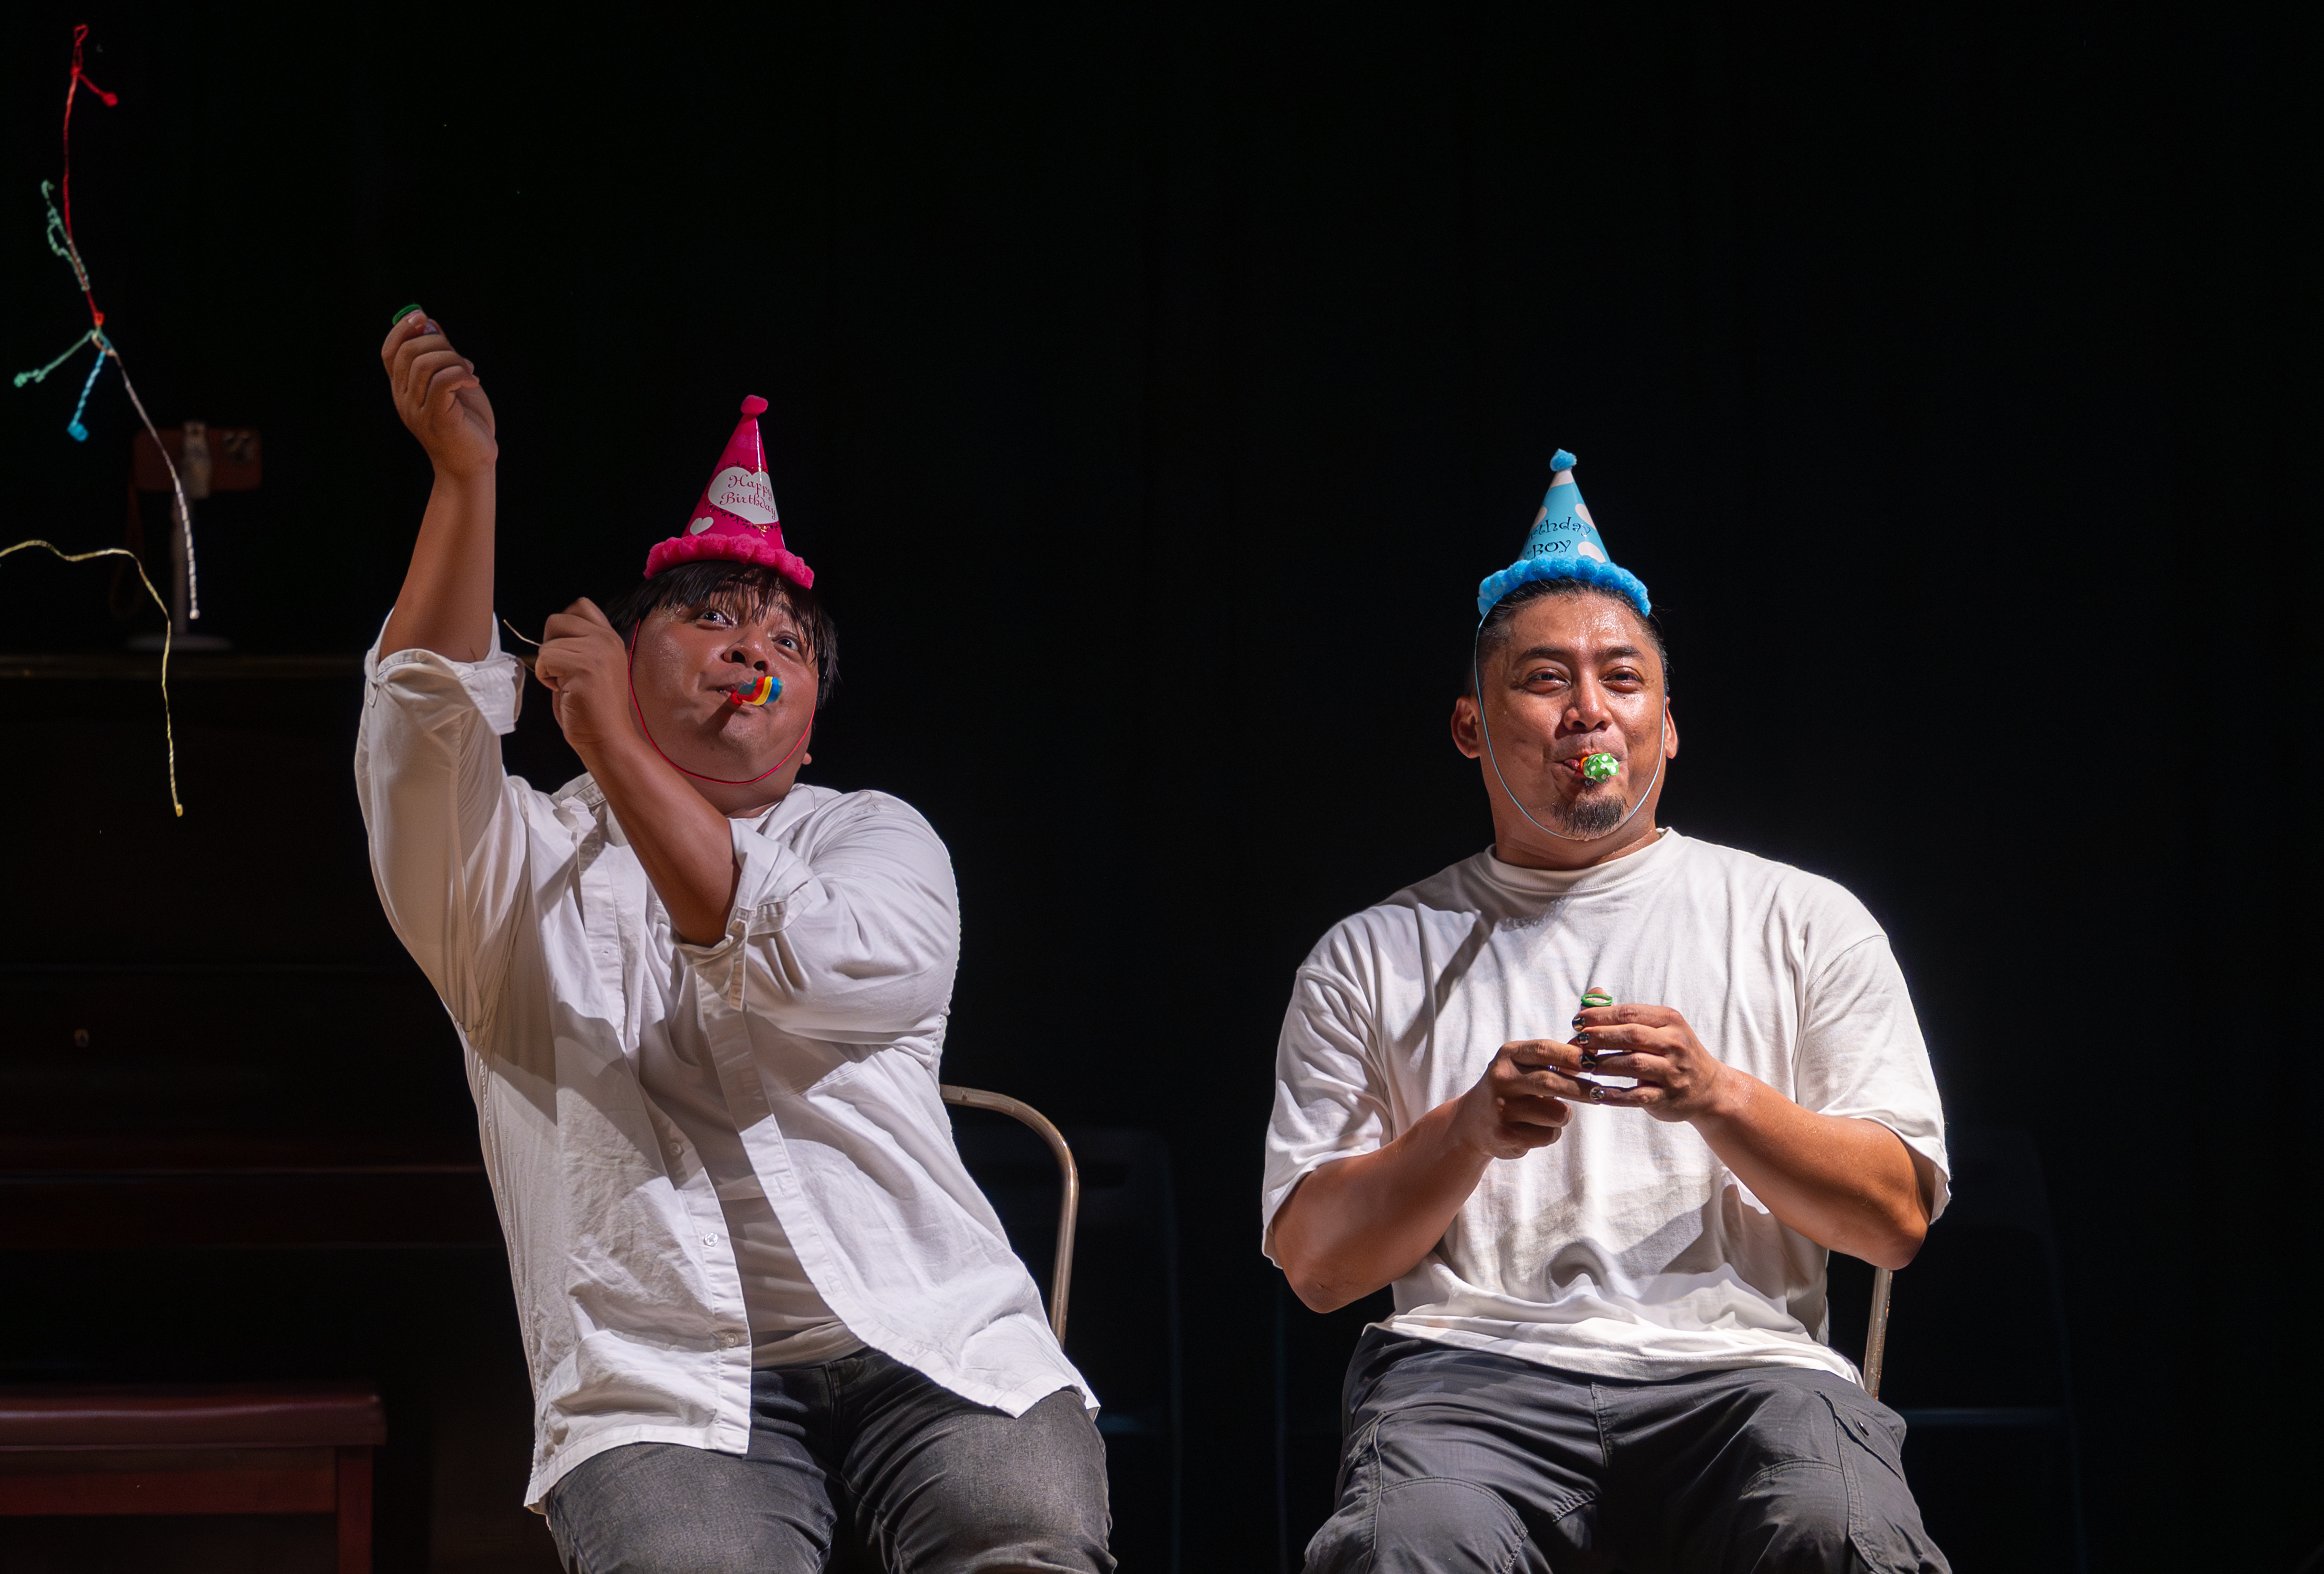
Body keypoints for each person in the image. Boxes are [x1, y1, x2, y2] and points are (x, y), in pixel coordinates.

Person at [356, 310, 1113, 1574]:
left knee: (1020, 1533)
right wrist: (464, 481)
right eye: (710, 619)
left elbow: (803, 962)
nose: (751, 647)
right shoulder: (518, 863)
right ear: (623, 656)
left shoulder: (872, 836)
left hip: (931, 1339)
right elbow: (423, 735)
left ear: (807, 733)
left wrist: (615, 743)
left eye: (786, 643)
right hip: (658, 1381)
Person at [1263, 451, 1952, 1573]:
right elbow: (1319, 1268)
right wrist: (1464, 1131)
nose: (1588, 708)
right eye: (1545, 678)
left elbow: (1894, 1222)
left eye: (1622, 679)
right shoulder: (1369, 954)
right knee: (1405, 1544)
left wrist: (1719, 1096)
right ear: (1470, 726)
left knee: (1839, 1530)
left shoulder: (1804, 918)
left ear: (1666, 725)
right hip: (1468, 1374)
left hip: (1748, 1376)